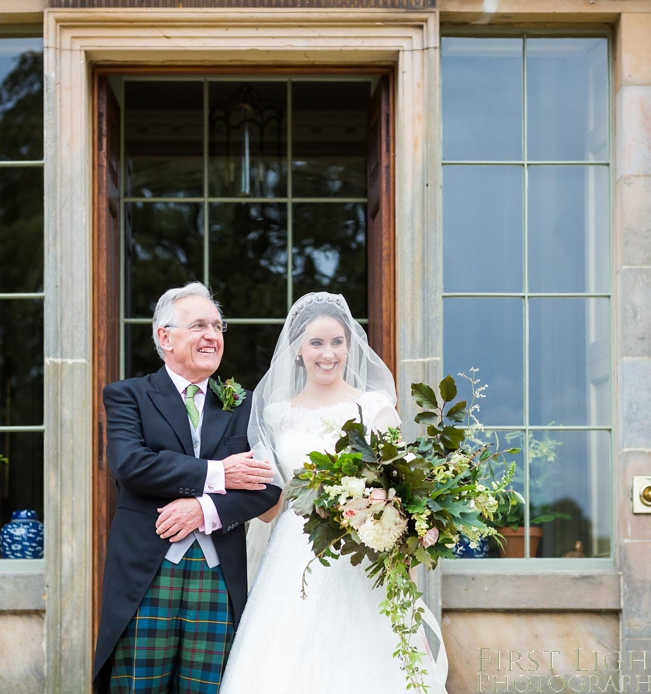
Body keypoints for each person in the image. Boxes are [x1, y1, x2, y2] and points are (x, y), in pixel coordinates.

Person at [219, 292, 449, 694]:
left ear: (350, 346)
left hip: (360, 551)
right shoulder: (275, 414)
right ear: (297, 351)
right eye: (316, 343)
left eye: (337, 342)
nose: (328, 354)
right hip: (292, 553)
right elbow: (270, 509)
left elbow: (401, 491)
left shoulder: (374, 408)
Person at [92, 282, 282, 693]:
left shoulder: (243, 404)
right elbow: (130, 465)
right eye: (198, 326)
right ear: (165, 336)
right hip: (147, 572)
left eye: (217, 325)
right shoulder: (128, 396)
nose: (212, 336)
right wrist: (218, 474)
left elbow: (268, 487)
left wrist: (205, 511)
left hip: (218, 575)